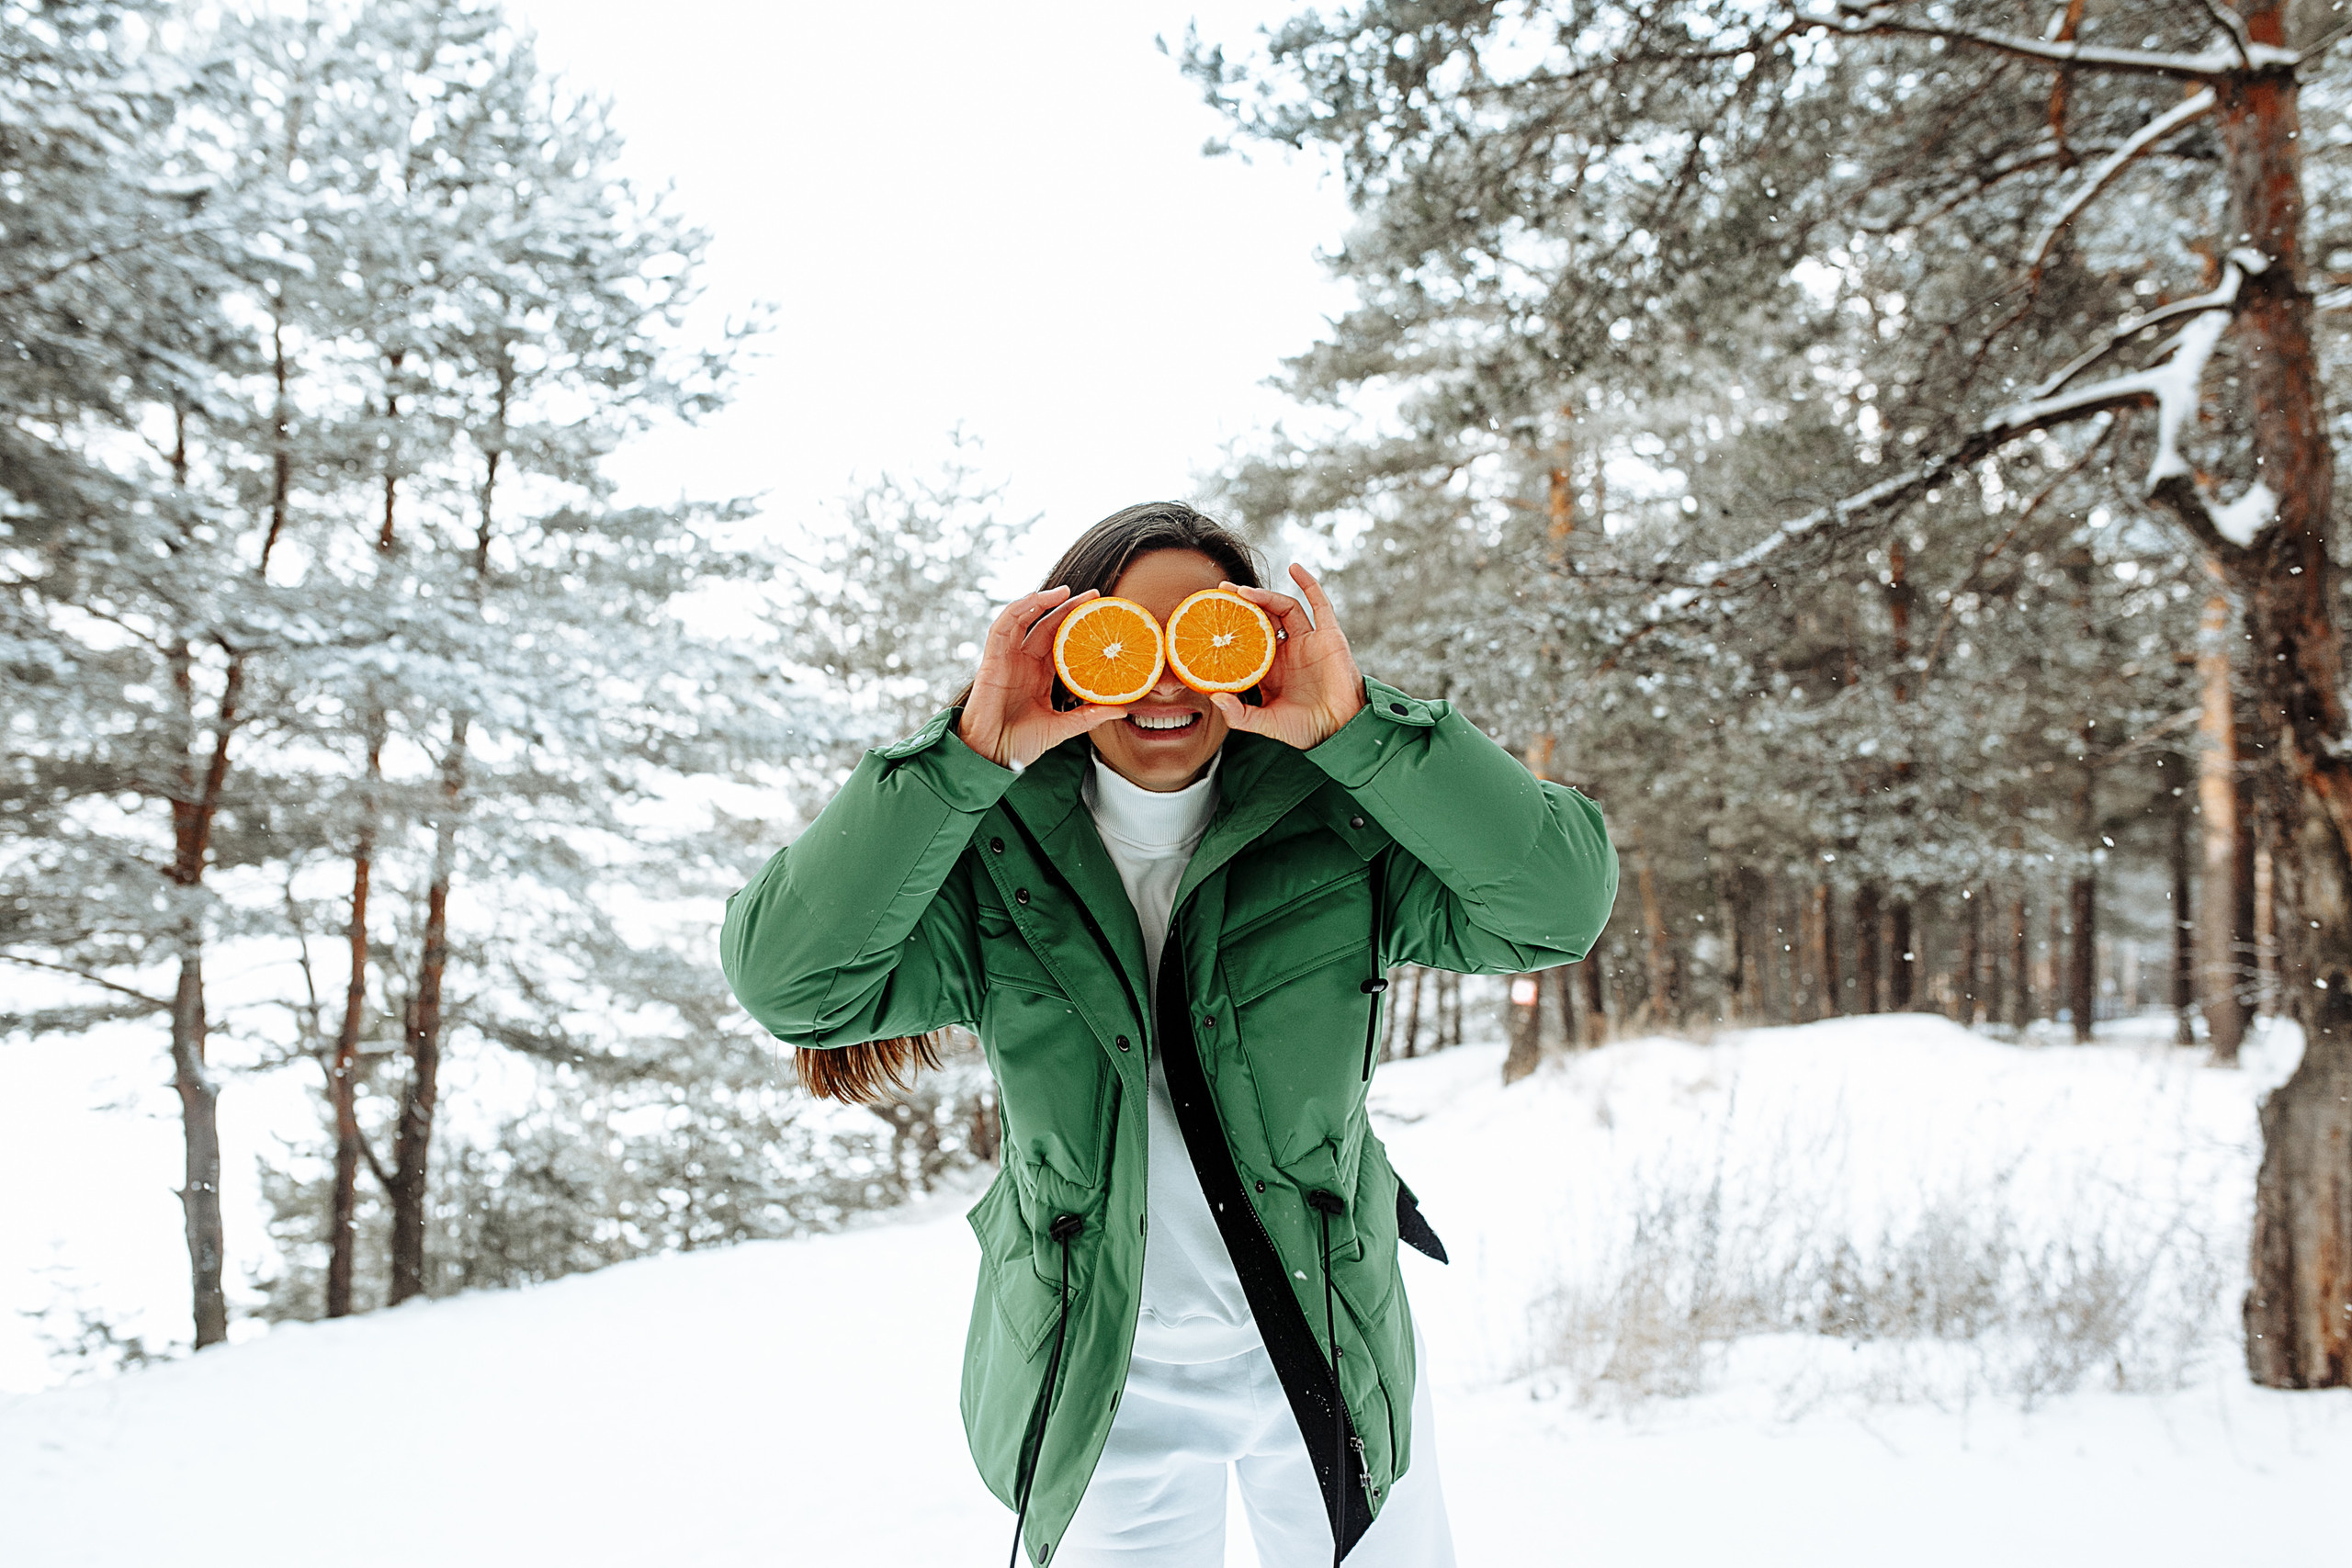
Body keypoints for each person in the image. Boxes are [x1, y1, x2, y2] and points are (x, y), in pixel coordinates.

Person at [720, 502, 1617, 1566]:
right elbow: (790, 982)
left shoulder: (1338, 824)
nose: (1163, 679)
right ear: (1064, 657)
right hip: (1101, 1372)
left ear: (1251, 646)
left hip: (1327, 1343)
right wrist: (966, 757)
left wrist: (1359, 729)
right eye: (1121, 642)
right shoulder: (993, 855)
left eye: (1203, 636)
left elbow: (1557, 906)